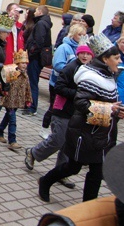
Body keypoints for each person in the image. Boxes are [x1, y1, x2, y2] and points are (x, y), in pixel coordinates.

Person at [37, 33, 124, 203]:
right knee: (73, 167)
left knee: (96, 172)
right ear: (106, 58)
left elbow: (106, 102)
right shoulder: (92, 77)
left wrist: (116, 111)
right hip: (85, 132)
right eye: (116, 57)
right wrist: (110, 109)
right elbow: (81, 102)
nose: (120, 61)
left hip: (101, 133)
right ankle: (46, 181)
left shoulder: (108, 74)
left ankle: (87, 209)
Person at [25, 43, 94, 187]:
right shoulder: (70, 68)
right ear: (78, 54)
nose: (85, 56)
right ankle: (33, 152)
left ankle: (60, 172)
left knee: (69, 144)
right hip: (62, 110)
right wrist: (78, 95)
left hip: (77, 113)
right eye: (83, 53)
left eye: (88, 54)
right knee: (58, 140)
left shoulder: (89, 70)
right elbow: (59, 87)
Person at [0, 50, 31, 150]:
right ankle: (12, 140)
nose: (24, 65)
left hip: (17, 100)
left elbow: (28, 88)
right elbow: (2, 83)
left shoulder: (25, 75)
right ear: (17, 63)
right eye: (22, 63)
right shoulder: (11, 72)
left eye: (25, 63)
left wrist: (28, 99)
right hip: (9, 100)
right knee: (12, 120)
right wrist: (2, 92)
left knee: (8, 117)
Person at [23, 5, 52, 116]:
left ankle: (32, 107)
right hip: (37, 56)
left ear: (40, 12)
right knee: (32, 81)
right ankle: (29, 104)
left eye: (36, 11)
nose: (34, 13)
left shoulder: (40, 24)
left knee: (32, 82)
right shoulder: (44, 23)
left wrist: (31, 52)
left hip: (36, 57)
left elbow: (39, 41)